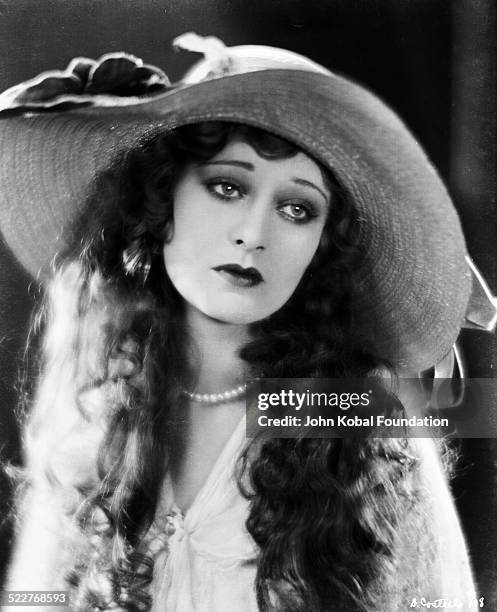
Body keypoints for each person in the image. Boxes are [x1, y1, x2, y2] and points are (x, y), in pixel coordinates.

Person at [0, 34, 484, 611]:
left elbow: (436, 600)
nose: (254, 234)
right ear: (163, 198)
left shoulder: (350, 413)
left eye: (297, 209)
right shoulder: (99, 404)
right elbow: (34, 599)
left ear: (321, 249)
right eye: (227, 186)